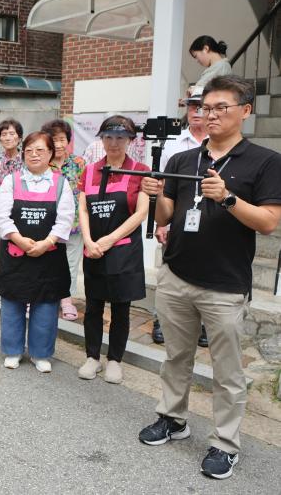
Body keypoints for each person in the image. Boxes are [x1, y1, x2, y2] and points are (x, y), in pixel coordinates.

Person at [138, 75, 281, 480]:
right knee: (176, 357)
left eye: (222, 107)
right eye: (205, 107)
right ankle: (172, 419)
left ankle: (225, 443)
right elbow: (166, 215)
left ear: (245, 112)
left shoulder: (265, 162)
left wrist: (229, 198)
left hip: (225, 284)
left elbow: (270, 222)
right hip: (178, 275)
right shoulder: (183, 159)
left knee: (227, 370)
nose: (210, 115)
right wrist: (155, 194)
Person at [76, 115, 149, 384]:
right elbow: (83, 208)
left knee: (121, 308)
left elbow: (140, 213)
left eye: (120, 137)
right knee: (93, 305)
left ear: (130, 140)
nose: (114, 143)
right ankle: (92, 356)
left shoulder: (140, 169)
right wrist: (88, 240)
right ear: (101, 139)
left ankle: (115, 360)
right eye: (108, 137)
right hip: (93, 247)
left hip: (123, 250)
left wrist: (109, 240)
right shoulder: (90, 170)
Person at [0, 131, 74, 373]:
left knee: (46, 304)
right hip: (16, 253)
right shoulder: (12, 181)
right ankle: (13, 350)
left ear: (51, 153)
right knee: (12, 302)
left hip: (49, 255)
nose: (34, 155)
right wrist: (20, 240)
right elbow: (1, 216)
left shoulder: (61, 184)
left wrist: (45, 243)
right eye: (29, 150)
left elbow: (65, 220)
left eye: (40, 150)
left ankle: (41, 354)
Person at [153, 86, 209, 346]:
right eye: (191, 106)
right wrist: (162, 222)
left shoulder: (219, 144)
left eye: (201, 106)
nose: (196, 111)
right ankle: (162, 320)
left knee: (208, 271)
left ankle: (205, 324)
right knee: (169, 271)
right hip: (177, 216)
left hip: (212, 218)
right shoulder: (173, 142)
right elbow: (163, 186)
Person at [41, 119, 86, 321]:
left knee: (71, 263)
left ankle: (66, 299)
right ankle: (44, 296)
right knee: (46, 261)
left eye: (62, 139)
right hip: (47, 224)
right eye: (53, 139)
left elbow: (86, 193)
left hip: (74, 224)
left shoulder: (79, 163)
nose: (58, 144)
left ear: (68, 140)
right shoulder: (42, 165)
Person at [0, 118, 24, 189]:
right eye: (4, 134)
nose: (7, 138)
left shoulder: (27, 158)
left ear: (19, 138)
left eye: (12, 134)